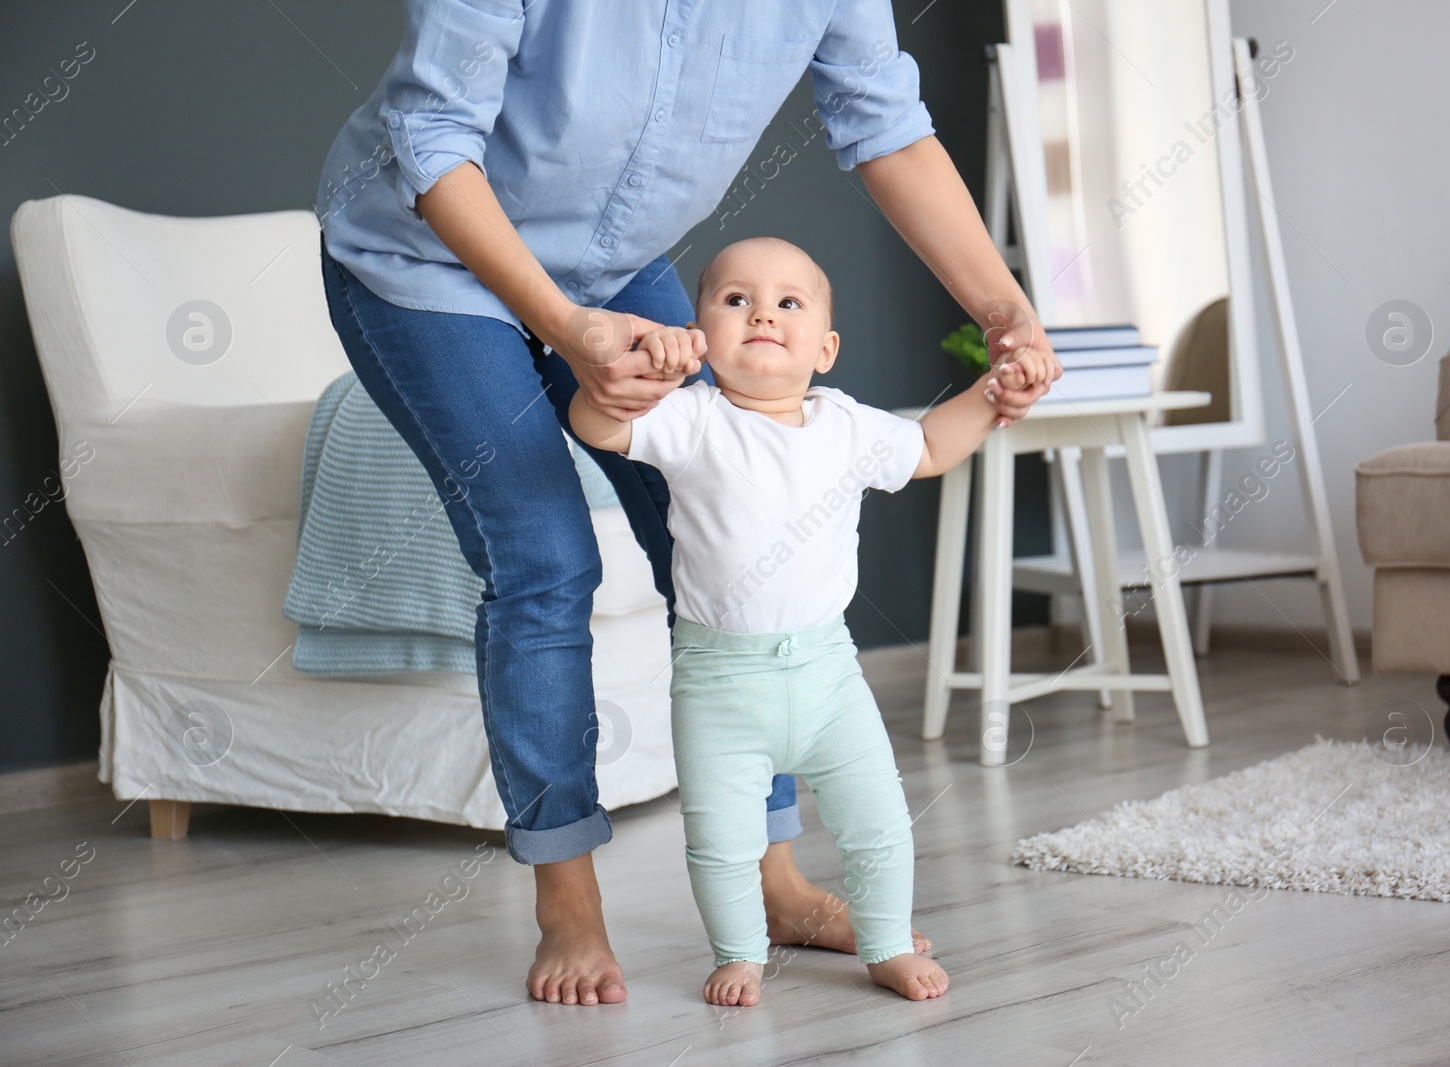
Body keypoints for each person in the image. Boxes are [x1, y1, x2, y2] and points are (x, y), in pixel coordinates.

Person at [314, 1, 1059, 1007]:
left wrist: (1004, 308)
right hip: (424, 258)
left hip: (613, 263)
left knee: (722, 524)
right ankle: (567, 899)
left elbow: (887, 126)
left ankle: (776, 879)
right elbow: (433, 137)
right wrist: (568, 330)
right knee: (542, 554)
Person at [570, 237, 1047, 1005]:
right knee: (722, 842)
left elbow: (926, 445)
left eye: (788, 302)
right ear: (700, 335)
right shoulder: (691, 418)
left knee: (880, 822)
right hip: (721, 684)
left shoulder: (847, 425)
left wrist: (994, 393)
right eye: (736, 300)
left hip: (830, 675)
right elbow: (596, 427)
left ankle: (887, 941)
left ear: (825, 348)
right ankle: (739, 952)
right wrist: (634, 378)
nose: (762, 311)